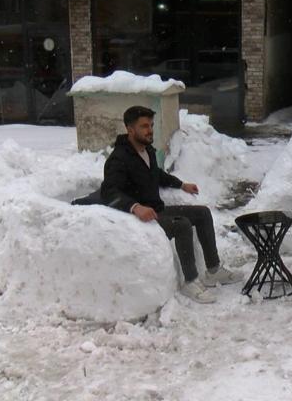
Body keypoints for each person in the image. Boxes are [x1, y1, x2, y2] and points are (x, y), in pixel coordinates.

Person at [100, 106, 239, 304]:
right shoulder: (118, 159)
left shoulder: (146, 150)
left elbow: (157, 175)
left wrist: (181, 185)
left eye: (151, 125)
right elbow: (109, 193)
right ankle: (190, 282)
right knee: (181, 224)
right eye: (144, 126)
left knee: (202, 213)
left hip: (157, 210)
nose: (150, 130)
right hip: (138, 218)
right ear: (130, 130)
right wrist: (136, 207)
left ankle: (213, 270)